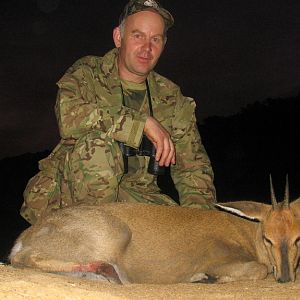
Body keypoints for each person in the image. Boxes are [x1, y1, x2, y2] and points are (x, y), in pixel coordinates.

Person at [20, 0, 216, 225]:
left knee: (180, 233)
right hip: (68, 198)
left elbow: (194, 168)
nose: (147, 47)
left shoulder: (172, 98)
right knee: (98, 148)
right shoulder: (88, 73)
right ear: (118, 37)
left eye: (156, 39)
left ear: (164, 44)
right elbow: (70, 117)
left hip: (136, 198)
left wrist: (202, 225)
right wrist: (140, 123)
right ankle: (85, 245)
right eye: (137, 36)